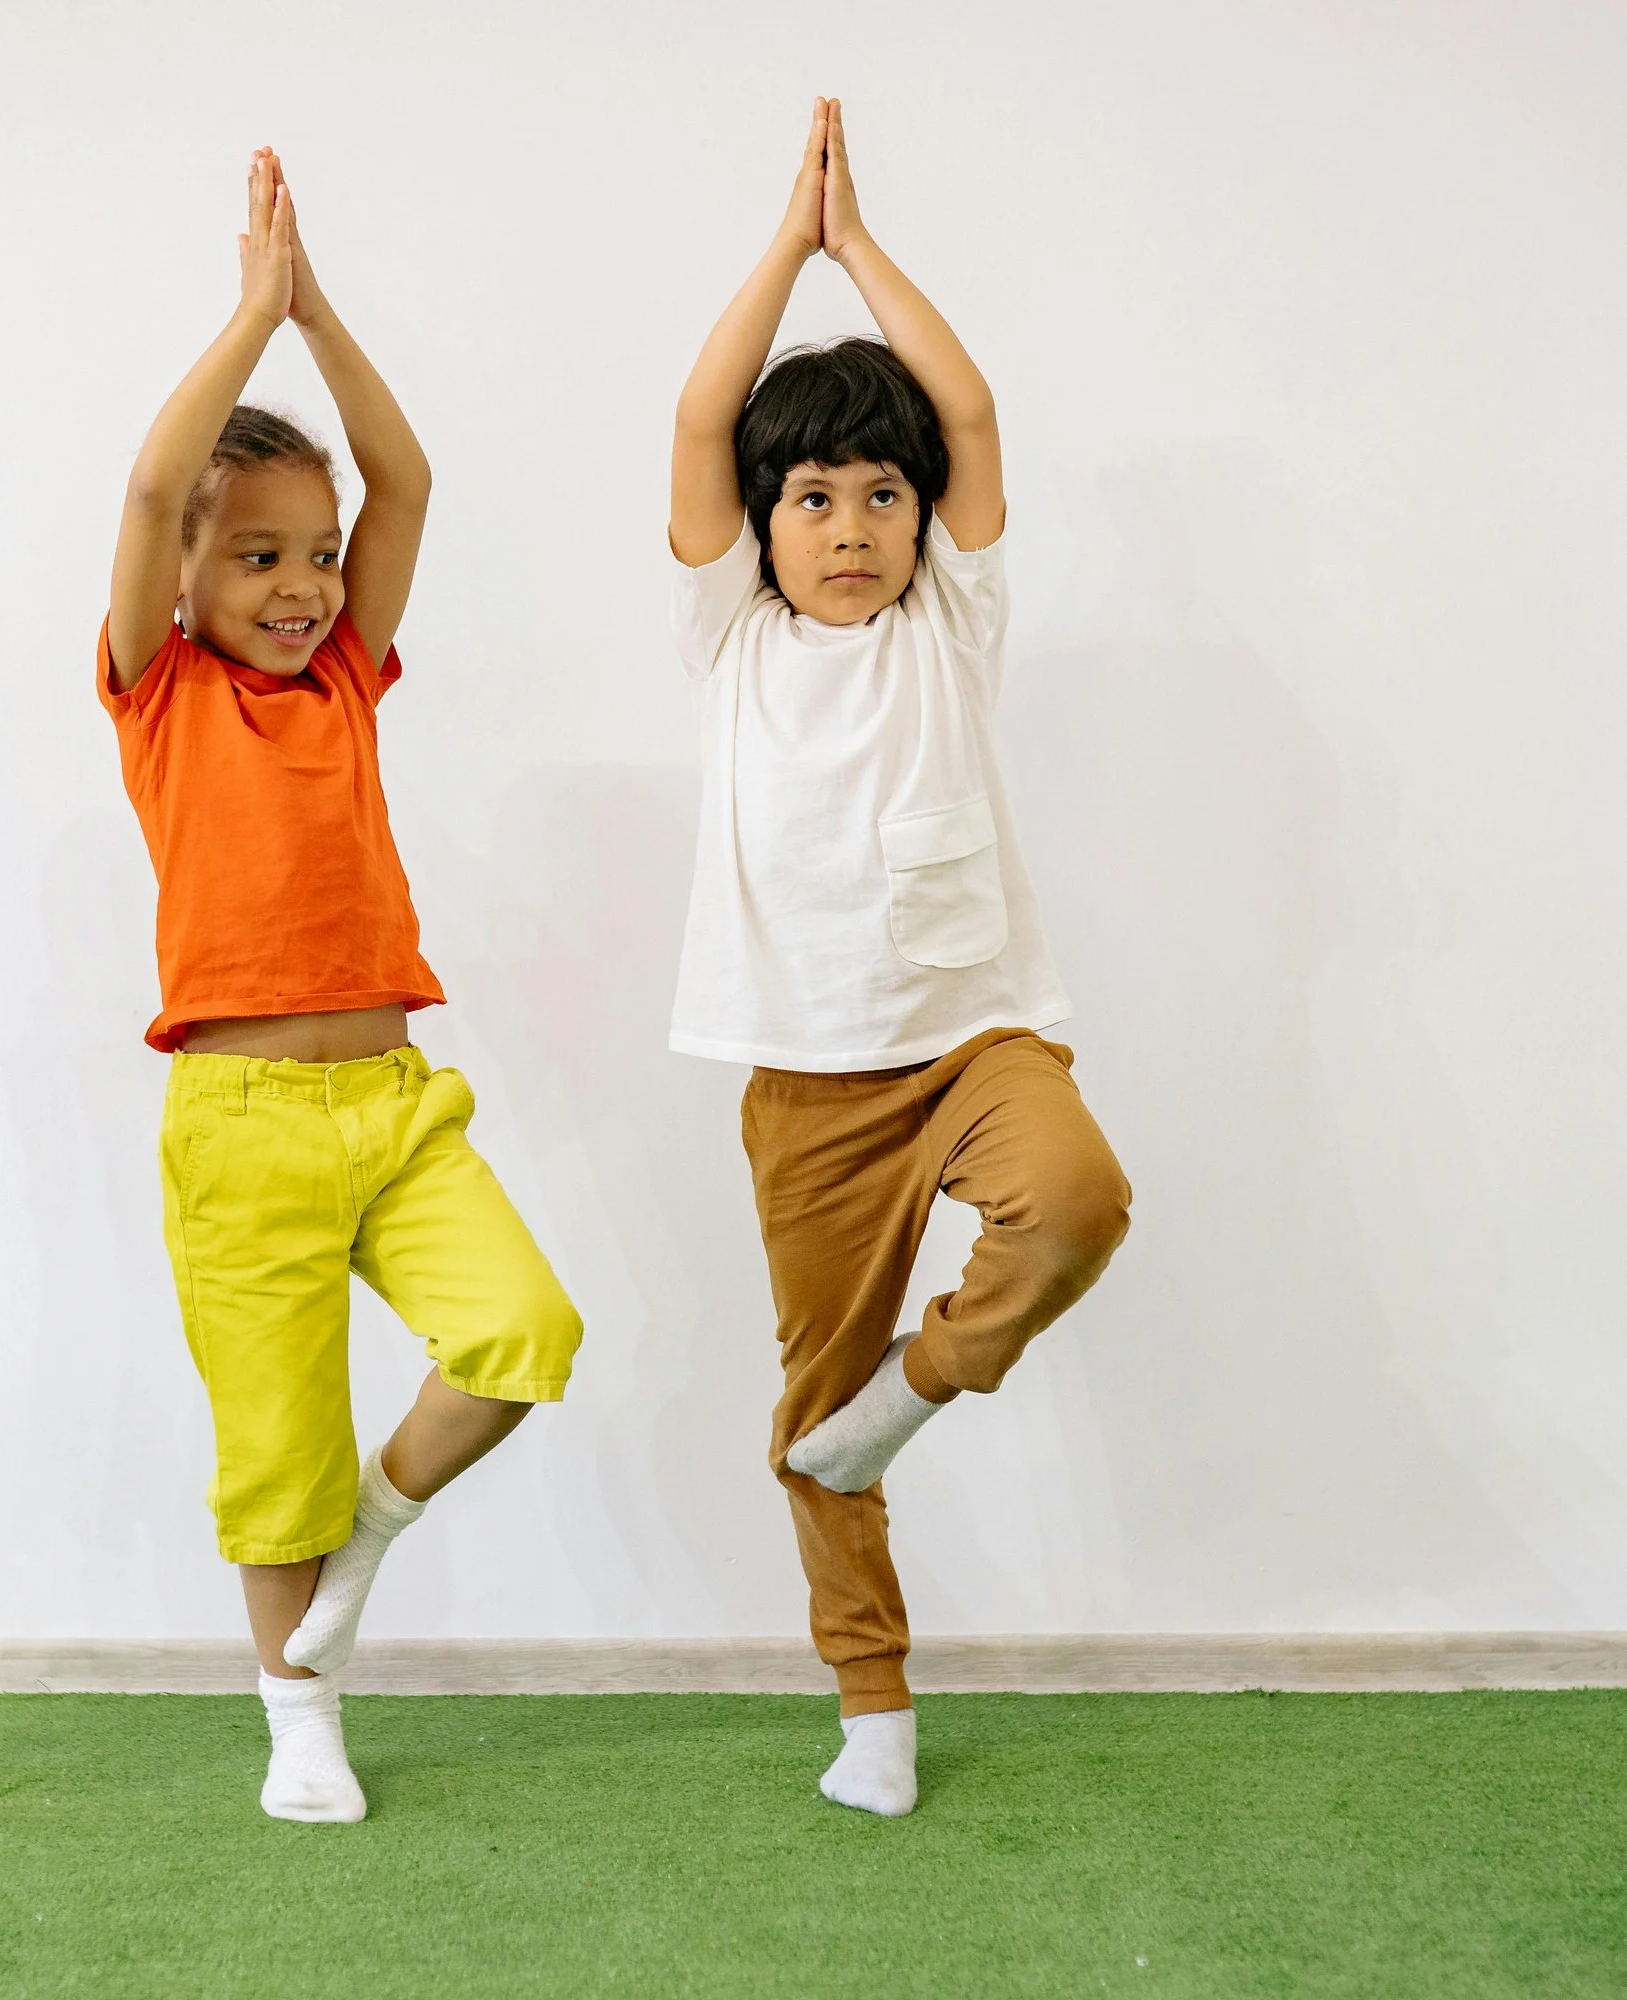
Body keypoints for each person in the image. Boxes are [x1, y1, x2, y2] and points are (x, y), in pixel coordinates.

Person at [102, 151, 583, 1823]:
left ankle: (373, 1539)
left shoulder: (349, 686)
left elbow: (406, 473)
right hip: (238, 1125)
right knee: (279, 1453)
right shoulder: (157, 694)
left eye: (317, 557)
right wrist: (247, 318)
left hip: (393, 1105)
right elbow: (159, 488)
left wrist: (316, 310)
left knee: (526, 1333)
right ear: (184, 581)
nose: (303, 585)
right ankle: (298, 1710)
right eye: (259, 560)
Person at [668, 101, 1132, 1816]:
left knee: (1078, 1201)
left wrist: (863, 250)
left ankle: (926, 1380)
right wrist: (785, 251)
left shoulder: (954, 621)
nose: (852, 523)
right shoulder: (732, 640)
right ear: (762, 524)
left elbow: (974, 412)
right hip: (806, 1082)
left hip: (973, 1042)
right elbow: (705, 416)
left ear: (925, 525)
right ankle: (873, 1711)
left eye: (882, 496)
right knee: (813, 1413)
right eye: (813, 498)